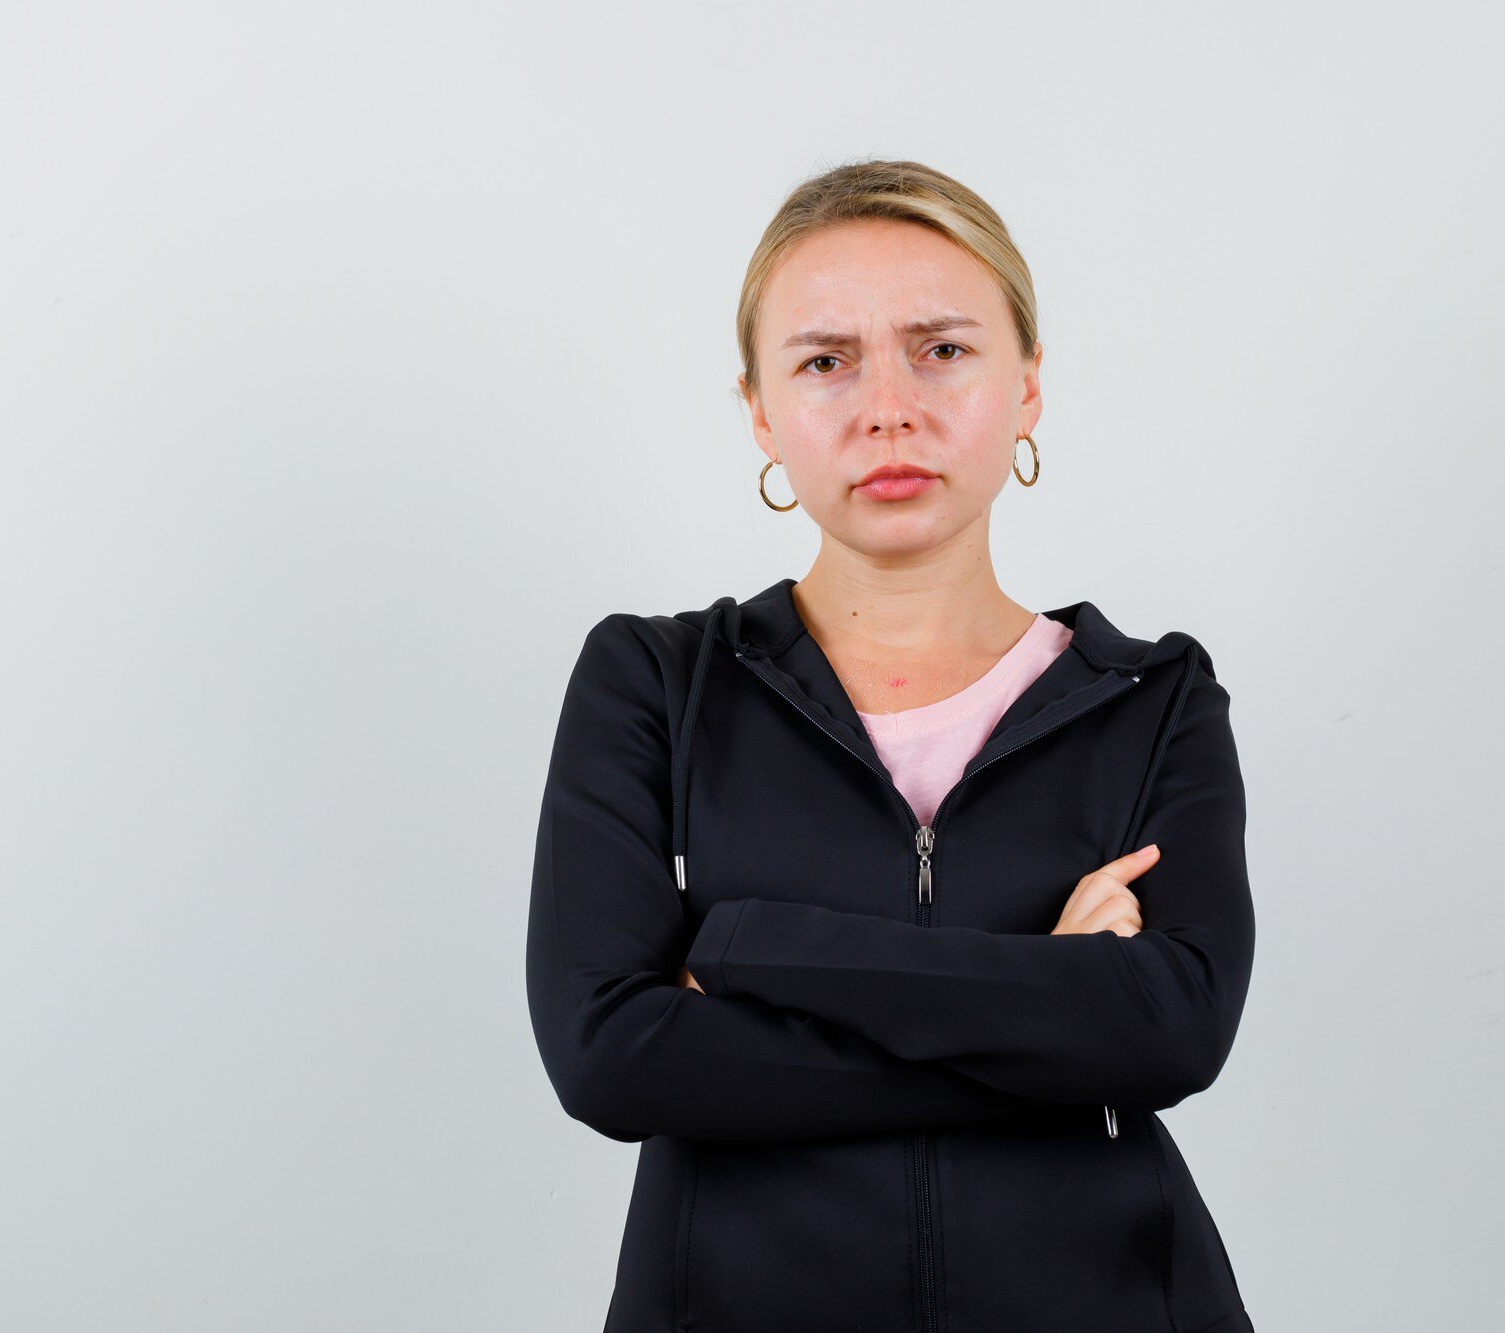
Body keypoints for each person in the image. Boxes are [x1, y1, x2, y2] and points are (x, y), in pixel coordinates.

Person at [524, 159, 1256, 1333]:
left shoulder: (1150, 695)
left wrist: (748, 948)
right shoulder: (653, 683)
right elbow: (610, 1055)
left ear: (1025, 386)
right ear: (760, 410)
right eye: (824, 361)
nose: (887, 407)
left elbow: (1170, 1031)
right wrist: (1047, 1006)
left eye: (942, 349)